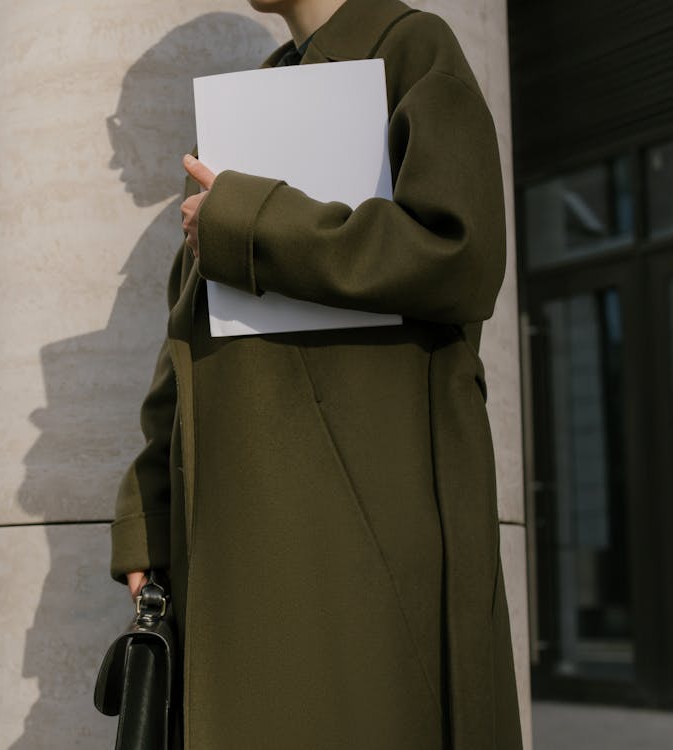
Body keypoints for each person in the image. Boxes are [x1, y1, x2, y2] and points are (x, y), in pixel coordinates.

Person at [108, 0, 525, 747]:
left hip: (366, 509)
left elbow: (461, 255)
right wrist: (149, 514)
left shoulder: (411, 46)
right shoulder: (262, 90)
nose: (115, 150)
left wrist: (250, 222)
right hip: (240, 514)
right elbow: (189, 335)